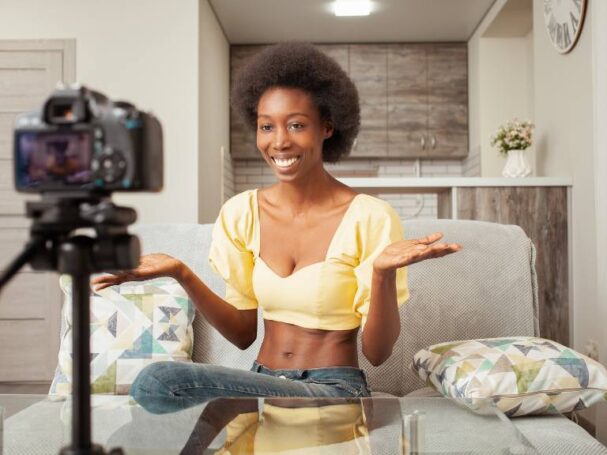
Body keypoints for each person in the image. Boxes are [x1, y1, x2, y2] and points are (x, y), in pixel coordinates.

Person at [92, 42, 462, 412]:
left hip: (334, 389)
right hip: (262, 380)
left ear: (327, 127)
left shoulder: (370, 216)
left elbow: (378, 353)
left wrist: (381, 275)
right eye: (266, 126)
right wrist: (181, 273)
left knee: (160, 382)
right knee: (160, 394)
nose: (279, 141)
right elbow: (242, 335)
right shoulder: (241, 213)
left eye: (297, 125)